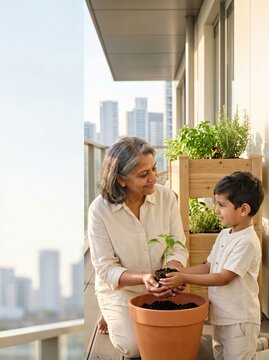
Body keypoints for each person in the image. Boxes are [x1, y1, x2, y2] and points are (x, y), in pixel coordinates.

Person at [88, 136, 188, 358]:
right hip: (122, 289)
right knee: (135, 349)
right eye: (144, 175)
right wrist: (144, 278)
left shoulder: (167, 197)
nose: (154, 178)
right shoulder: (99, 211)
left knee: (171, 339)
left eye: (154, 168)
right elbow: (105, 269)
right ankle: (108, 309)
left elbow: (177, 246)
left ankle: (118, 316)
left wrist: (171, 273)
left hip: (161, 287)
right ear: (121, 180)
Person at [160, 171, 269, 360]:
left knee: (239, 354)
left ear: (243, 209)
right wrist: (180, 271)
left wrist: (185, 278)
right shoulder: (225, 235)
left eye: (221, 205)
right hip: (220, 316)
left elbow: (222, 278)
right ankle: (257, 345)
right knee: (221, 355)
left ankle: (255, 346)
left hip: (240, 320)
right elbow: (209, 266)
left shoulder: (247, 242)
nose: (216, 210)